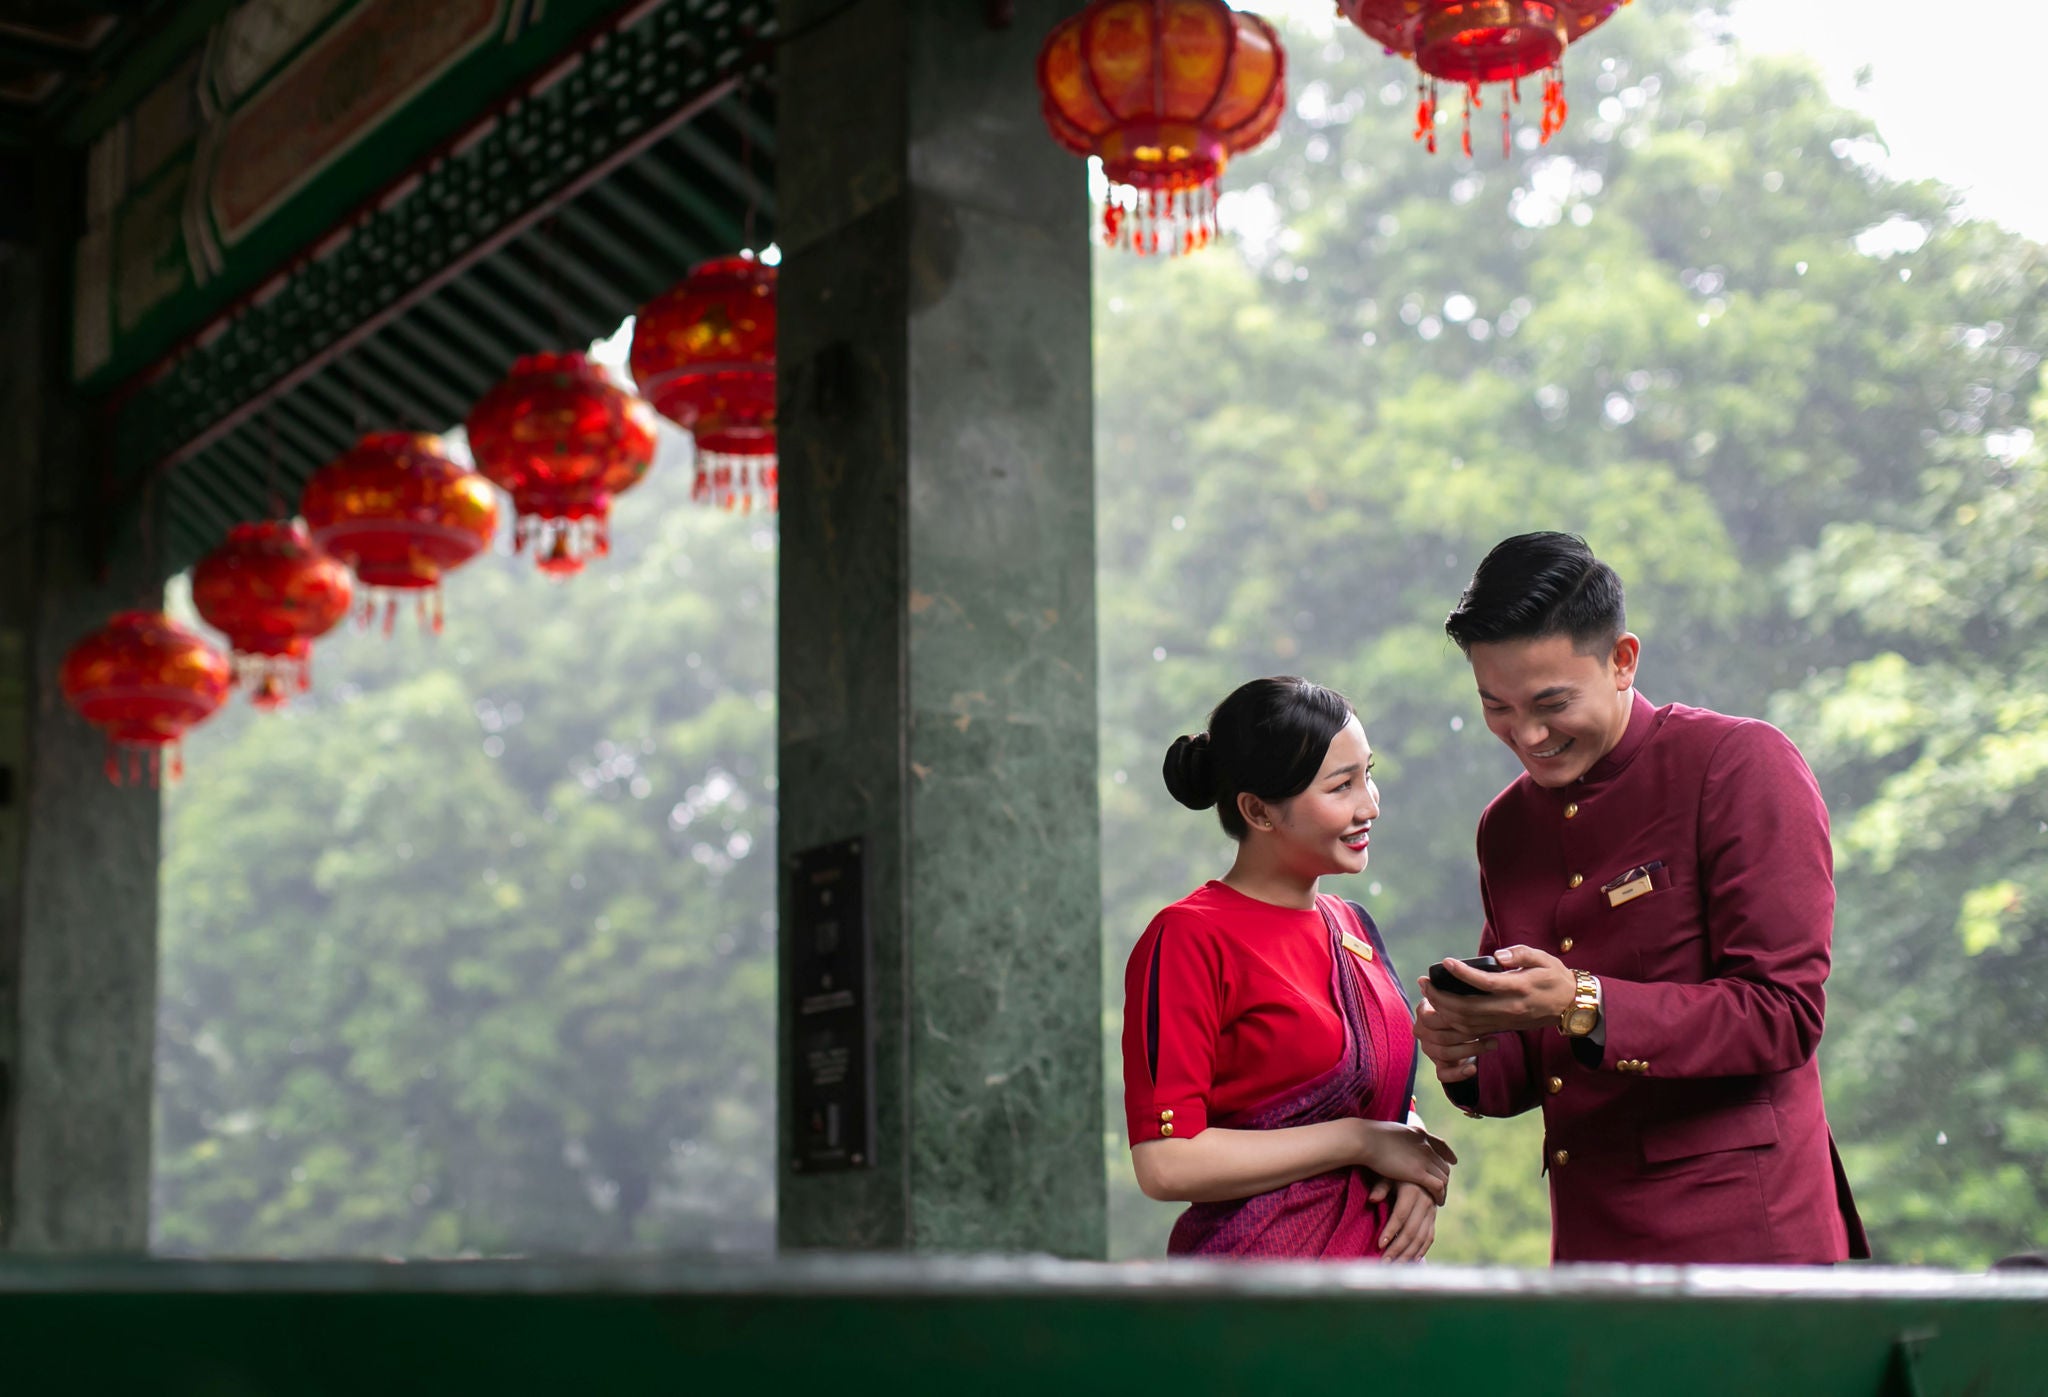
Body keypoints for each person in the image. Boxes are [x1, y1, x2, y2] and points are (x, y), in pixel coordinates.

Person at [1414, 532, 1869, 1264]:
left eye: (1551, 702)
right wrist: (1462, 1047)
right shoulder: (1506, 827)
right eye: (1496, 706)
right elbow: (1529, 1069)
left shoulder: (1739, 765)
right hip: (1593, 1251)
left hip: (1752, 1249)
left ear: (1623, 660)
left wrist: (1581, 999)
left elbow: (1784, 1013)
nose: (1525, 734)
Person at [1123, 676, 1457, 1259]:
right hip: (1251, 1298)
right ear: (1258, 810)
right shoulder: (1188, 937)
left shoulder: (1352, 928)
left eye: (1367, 775)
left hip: (1375, 1294)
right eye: (1341, 786)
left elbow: (1373, 1096)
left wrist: (1412, 1158)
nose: (1370, 804)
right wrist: (1360, 1141)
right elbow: (1166, 1162)